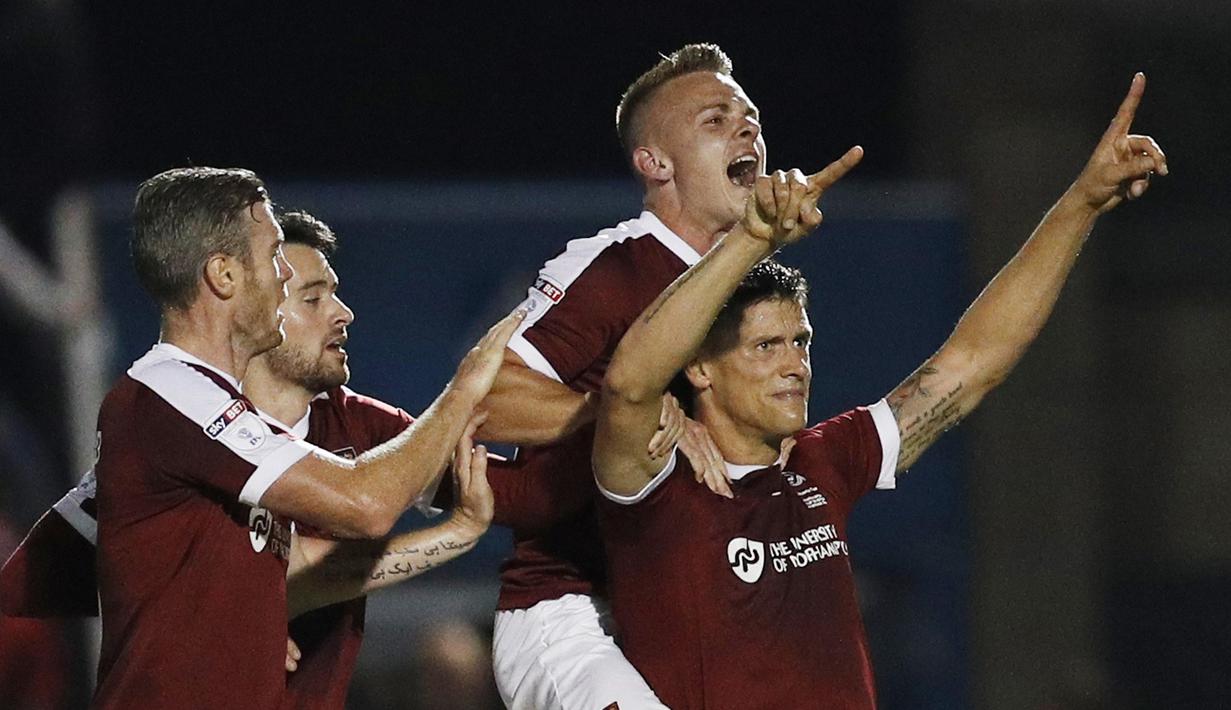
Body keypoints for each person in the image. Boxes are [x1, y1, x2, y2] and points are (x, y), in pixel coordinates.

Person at [591, 75, 1165, 708]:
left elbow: (973, 360)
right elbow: (628, 385)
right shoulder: (656, 483)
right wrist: (754, 238)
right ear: (700, 368)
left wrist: (1083, 202)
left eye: (801, 342)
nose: (795, 365)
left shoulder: (825, 461)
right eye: (766, 347)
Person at [1, 208, 506, 709]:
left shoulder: (355, 424)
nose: (343, 313)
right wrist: (464, 391)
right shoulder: (171, 420)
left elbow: (301, 573)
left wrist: (455, 535)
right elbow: (33, 581)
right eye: (312, 297)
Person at [476, 43, 760, 710]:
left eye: (749, 117)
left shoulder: (756, 290)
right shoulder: (615, 266)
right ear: (655, 163)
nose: (745, 129)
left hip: (689, 613)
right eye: (715, 120)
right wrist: (633, 414)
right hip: (575, 612)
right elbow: (486, 397)